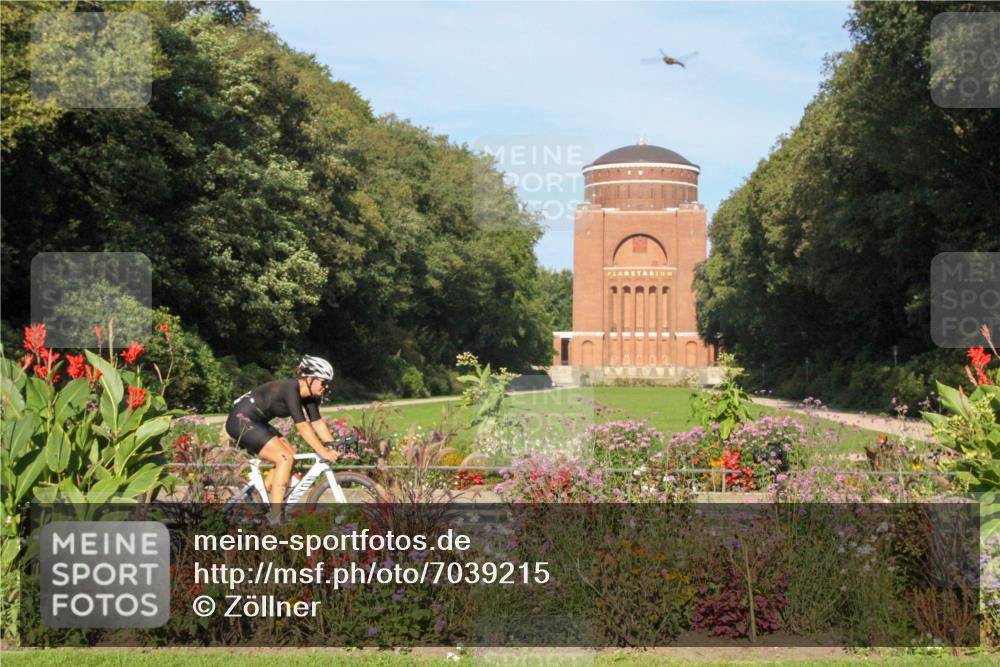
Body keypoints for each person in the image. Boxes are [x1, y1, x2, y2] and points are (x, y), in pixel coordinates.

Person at [225, 355, 340, 520]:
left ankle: (257, 501)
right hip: (240, 420)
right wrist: (323, 451)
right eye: (323, 382)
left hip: (257, 421)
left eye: (328, 383)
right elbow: (302, 427)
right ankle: (275, 518)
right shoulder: (291, 388)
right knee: (284, 458)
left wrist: (333, 445)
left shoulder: (309, 395)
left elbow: (317, 423)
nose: (326, 386)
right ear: (309, 378)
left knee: (291, 456)